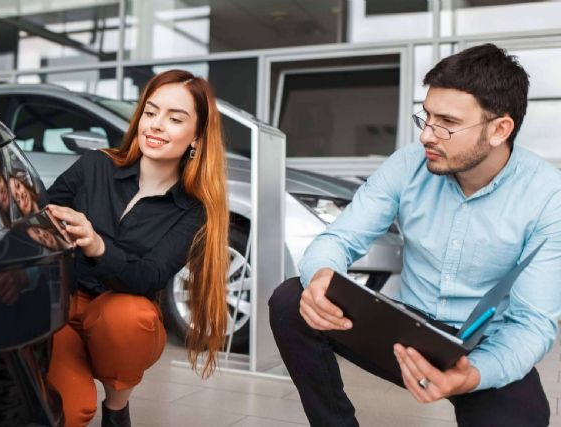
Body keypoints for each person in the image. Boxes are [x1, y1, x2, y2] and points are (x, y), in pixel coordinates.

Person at [269, 44, 560, 427]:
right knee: (292, 300)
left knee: (525, 415)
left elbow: (532, 324)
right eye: (426, 117)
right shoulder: (409, 164)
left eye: (447, 123)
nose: (426, 135)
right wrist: (322, 275)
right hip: (406, 329)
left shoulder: (548, 197)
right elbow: (338, 239)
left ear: (499, 129)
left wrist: (473, 374)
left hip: (482, 346)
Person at [44, 69, 229, 427]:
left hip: (122, 320)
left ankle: (117, 406)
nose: (156, 125)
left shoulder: (194, 210)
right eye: (150, 112)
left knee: (129, 315)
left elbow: (150, 276)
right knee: (71, 410)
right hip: (62, 307)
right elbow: (39, 218)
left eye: (175, 119)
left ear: (197, 137)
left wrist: (97, 244)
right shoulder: (94, 166)